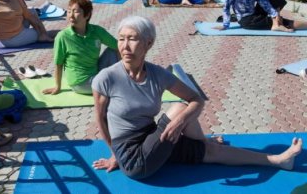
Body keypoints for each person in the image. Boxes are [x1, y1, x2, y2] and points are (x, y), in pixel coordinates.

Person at [91, 15, 303, 178]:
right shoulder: (106, 78)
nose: (125, 46)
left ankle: (277, 160)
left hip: (151, 139)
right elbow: (100, 119)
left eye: (132, 39)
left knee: (207, 146)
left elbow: (197, 99)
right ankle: (200, 140)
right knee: (180, 110)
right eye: (121, 39)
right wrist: (115, 156)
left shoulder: (158, 74)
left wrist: (181, 122)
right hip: (133, 158)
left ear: (148, 43)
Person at [43, 0, 118, 95]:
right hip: (81, 82)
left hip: (95, 72)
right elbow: (58, 64)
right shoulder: (63, 36)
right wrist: (57, 87)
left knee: (114, 50)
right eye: (69, 11)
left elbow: (118, 45)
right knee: (116, 85)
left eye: (76, 12)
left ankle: (126, 75)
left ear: (87, 15)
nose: (71, 16)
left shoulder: (96, 31)